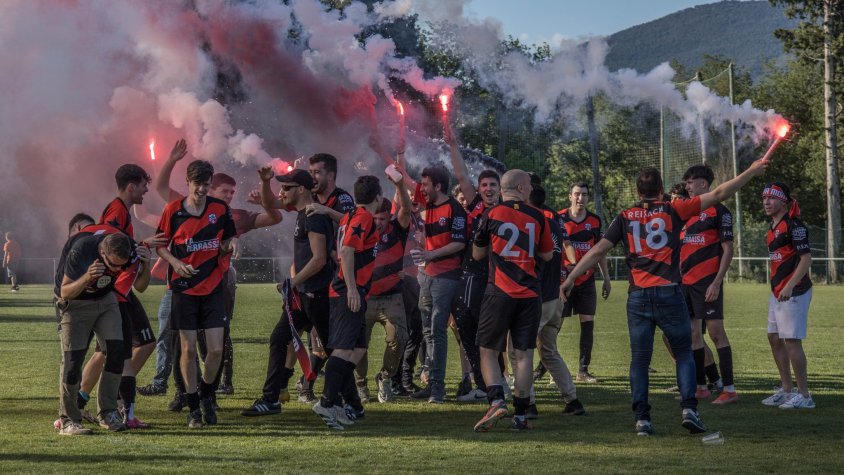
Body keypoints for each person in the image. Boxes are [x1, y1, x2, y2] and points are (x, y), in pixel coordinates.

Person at [560, 158, 769, 436]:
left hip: (639, 297)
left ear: (638, 192)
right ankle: (689, 409)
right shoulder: (675, 210)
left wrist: (571, 278)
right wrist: (752, 171)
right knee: (684, 353)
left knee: (639, 359)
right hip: (670, 293)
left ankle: (643, 419)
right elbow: (720, 194)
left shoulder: (624, 217)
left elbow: (598, 251)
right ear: (661, 191)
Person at [140, 139, 282, 402]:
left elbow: (273, 218)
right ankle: (180, 390)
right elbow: (160, 190)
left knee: (216, 338)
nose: (228, 196)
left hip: (219, 281)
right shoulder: (182, 205)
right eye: (224, 191)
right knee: (175, 337)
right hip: (182, 282)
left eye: (232, 192)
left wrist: (263, 197)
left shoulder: (231, 214)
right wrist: (171, 159)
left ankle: (217, 386)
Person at [74, 164, 164, 430]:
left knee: (132, 346)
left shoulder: (121, 210)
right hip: (116, 293)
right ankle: (107, 405)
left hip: (123, 291)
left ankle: (85, 404)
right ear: (131, 186)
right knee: (117, 351)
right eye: (144, 184)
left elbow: (123, 250)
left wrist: (144, 248)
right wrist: (145, 245)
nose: (147, 189)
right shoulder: (116, 210)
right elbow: (112, 250)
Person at [241, 167, 334, 416]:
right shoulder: (301, 211)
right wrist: (265, 181)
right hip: (302, 295)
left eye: (286, 188)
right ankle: (271, 399)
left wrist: (292, 282)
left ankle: (345, 401)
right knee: (278, 339)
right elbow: (269, 201)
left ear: (301, 190)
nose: (281, 192)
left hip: (316, 294)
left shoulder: (313, 216)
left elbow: (320, 259)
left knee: (334, 348)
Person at [155, 159, 236, 429]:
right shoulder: (173, 211)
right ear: (187, 183)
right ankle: (193, 408)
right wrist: (176, 264)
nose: (202, 189)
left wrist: (230, 247)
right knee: (188, 350)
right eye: (197, 184)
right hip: (183, 289)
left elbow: (228, 239)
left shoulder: (220, 209)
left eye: (206, 184)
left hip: (213, 287)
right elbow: (161, 245)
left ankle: (206, 393)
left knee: (215, 350)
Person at [471, 170, 554, 432]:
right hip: (530, 295)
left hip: (500, 292)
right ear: (520, 187)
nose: (531, 188)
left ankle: (496, 400)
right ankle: (521, 413)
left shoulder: (492, 214)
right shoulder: (538, 215)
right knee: (523, 355)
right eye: (529, 184)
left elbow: (476, 253)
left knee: (487, 350)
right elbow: (548, 254)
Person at [312, 175, 381, 429]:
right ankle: (327, 404)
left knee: (359, 348)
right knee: (342, 349)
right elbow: (347, 250)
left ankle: (338, 401)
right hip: (346, 292)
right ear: (379, 197)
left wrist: (324, 209)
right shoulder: (363, 218)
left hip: (354, 292)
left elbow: (342, 220)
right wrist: (352, 288)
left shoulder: (353, 215)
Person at [54, 231, 139, 435]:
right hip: (75, 303)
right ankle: (68, 419)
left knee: (117, 350)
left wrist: (143, 263)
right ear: (102, 252)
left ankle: (108, 412)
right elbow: (65, 291)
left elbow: (142, 284)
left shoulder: (129, 249)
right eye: (113, 265)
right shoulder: (82, 251)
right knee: (73, 359)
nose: (118, 270)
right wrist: (88, 276)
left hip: (105, 300)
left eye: (122, 265)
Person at [445, 123, 501, 402]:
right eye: (485, 185)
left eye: (493, 185)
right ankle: (482, 384)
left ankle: (496, 383)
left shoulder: (506, 211)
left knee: (492, 334)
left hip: (499, 281)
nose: (489, 189)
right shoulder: (476, 204)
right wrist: (453, 145)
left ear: (501, 189)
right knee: (466, 328)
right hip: (472, 277)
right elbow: (460, 175)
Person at [528, 177, 586, 418]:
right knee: (549, 350)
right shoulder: (555, 220)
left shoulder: (530, 221)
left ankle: (526, 403)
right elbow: (567, 248)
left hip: (538, 297)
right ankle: (573, 400)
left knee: (519, 350)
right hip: (555, 297)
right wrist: (570, 272)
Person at [410, 165, 467, 404]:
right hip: (427, 276)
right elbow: (402, 179)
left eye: (425, 184)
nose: (421, 189)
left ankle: (438, 390)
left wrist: (431, 255)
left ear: (438, 186)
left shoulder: (454, 208)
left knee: (437, 329)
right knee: (427, 331)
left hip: (446, 277)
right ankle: (432, 381)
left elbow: (459, 243)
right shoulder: (429, 204)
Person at [680, 165, 737, 404]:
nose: (687, 186)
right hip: (685, 284)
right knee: (694, 335)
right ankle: (701, 386)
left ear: (704, 184)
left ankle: (730, 391)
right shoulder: (684, 210)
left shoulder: (719, 211)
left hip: (707, 283)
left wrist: (717, 281)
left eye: (691, 182)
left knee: (715, 333)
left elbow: (728, 249)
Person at [354, 171, 412, 403]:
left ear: (389, 217)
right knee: (359, 344)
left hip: (392, 297)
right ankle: (360, 385)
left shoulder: (397, 229)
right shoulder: (359, 228)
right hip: (364, 296)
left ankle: (385, 378)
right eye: (375, 218)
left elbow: (406, 209)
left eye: (382, 219)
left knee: (400, 337)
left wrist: (399, 184)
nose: (378, 223)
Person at [760, 182, 815, 409]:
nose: (766, 202)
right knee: (774, 337)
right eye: (764, 198)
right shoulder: (773, 227)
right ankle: (786, 389)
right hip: (778, 292)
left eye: (771, 198)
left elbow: (806, 259)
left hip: (794, 290)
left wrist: (790, 285)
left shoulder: (794, 226)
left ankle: (805, 395)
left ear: (783, 201)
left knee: (792, 341)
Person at [558, 182, 611, 383]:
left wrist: (606, 278)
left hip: (587, 280)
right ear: (569, 196)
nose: (581, 198)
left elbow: (601, 251)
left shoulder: (595, 221)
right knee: (555, 325)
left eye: (585, 195)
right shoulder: (559, 218)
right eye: (577, 194)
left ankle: (583, 371)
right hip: (564, 281)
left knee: (587, 324)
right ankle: (544, 368)